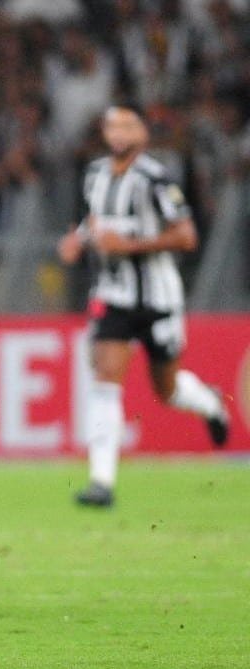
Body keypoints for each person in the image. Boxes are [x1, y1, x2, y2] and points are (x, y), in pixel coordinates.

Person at [58, 103, 230, 507]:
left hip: (158, 299)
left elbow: (186, 236)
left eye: (128, 125)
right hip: (112, 296)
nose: (119, 133)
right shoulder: (95, 175)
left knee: (166, 389)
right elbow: (93, 224)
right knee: (105, 378)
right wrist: (77, 241)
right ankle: (101, 482)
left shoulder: (156, 179)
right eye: (112, 126)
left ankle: (210, 403)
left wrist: (130, 246)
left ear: (142, 134)